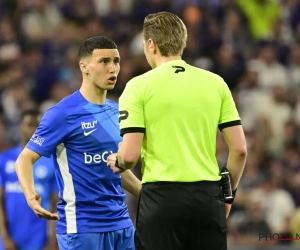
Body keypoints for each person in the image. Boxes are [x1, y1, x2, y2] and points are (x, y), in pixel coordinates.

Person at [107, 12, 247, 250]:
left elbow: (130, 157)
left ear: (151, 44)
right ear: (182, 41)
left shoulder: (138, 87)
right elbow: (240, 150)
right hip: (207, 199)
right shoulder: (216, 83)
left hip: (161, 201)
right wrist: (226, 195)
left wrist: (117, 160)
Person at [15, 36, 141, 250]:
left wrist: (150, 196)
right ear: (84, 67)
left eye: (116, 61)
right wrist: (31, 195)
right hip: (82, 227)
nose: (113, 68)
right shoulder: (62, 113)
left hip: (121, 223)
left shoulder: (117, 110)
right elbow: (25, 159)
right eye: (104, 61)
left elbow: (114, 166)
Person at [0, 109, 58, 250]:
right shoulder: (4, 159)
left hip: (39, 239)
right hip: (10, 238)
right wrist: (4, 237)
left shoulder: (52, 162)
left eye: (37, 125)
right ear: (20, 127)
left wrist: (53, 240)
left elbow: (56, 203)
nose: (33, 129)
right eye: (29, 124)